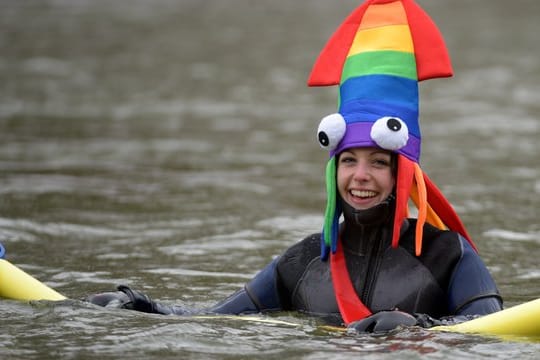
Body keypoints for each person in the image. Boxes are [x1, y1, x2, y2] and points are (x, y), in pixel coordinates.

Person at [85, 0, 503, 332]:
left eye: (379, 162)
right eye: (348, 161)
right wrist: (142, 306)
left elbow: (491, 330)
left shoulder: (449, 255)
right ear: (333, 169)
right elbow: (214, 320)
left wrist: (418, 328)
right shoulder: (302, 263)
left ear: (403, 173)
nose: (360, 176)